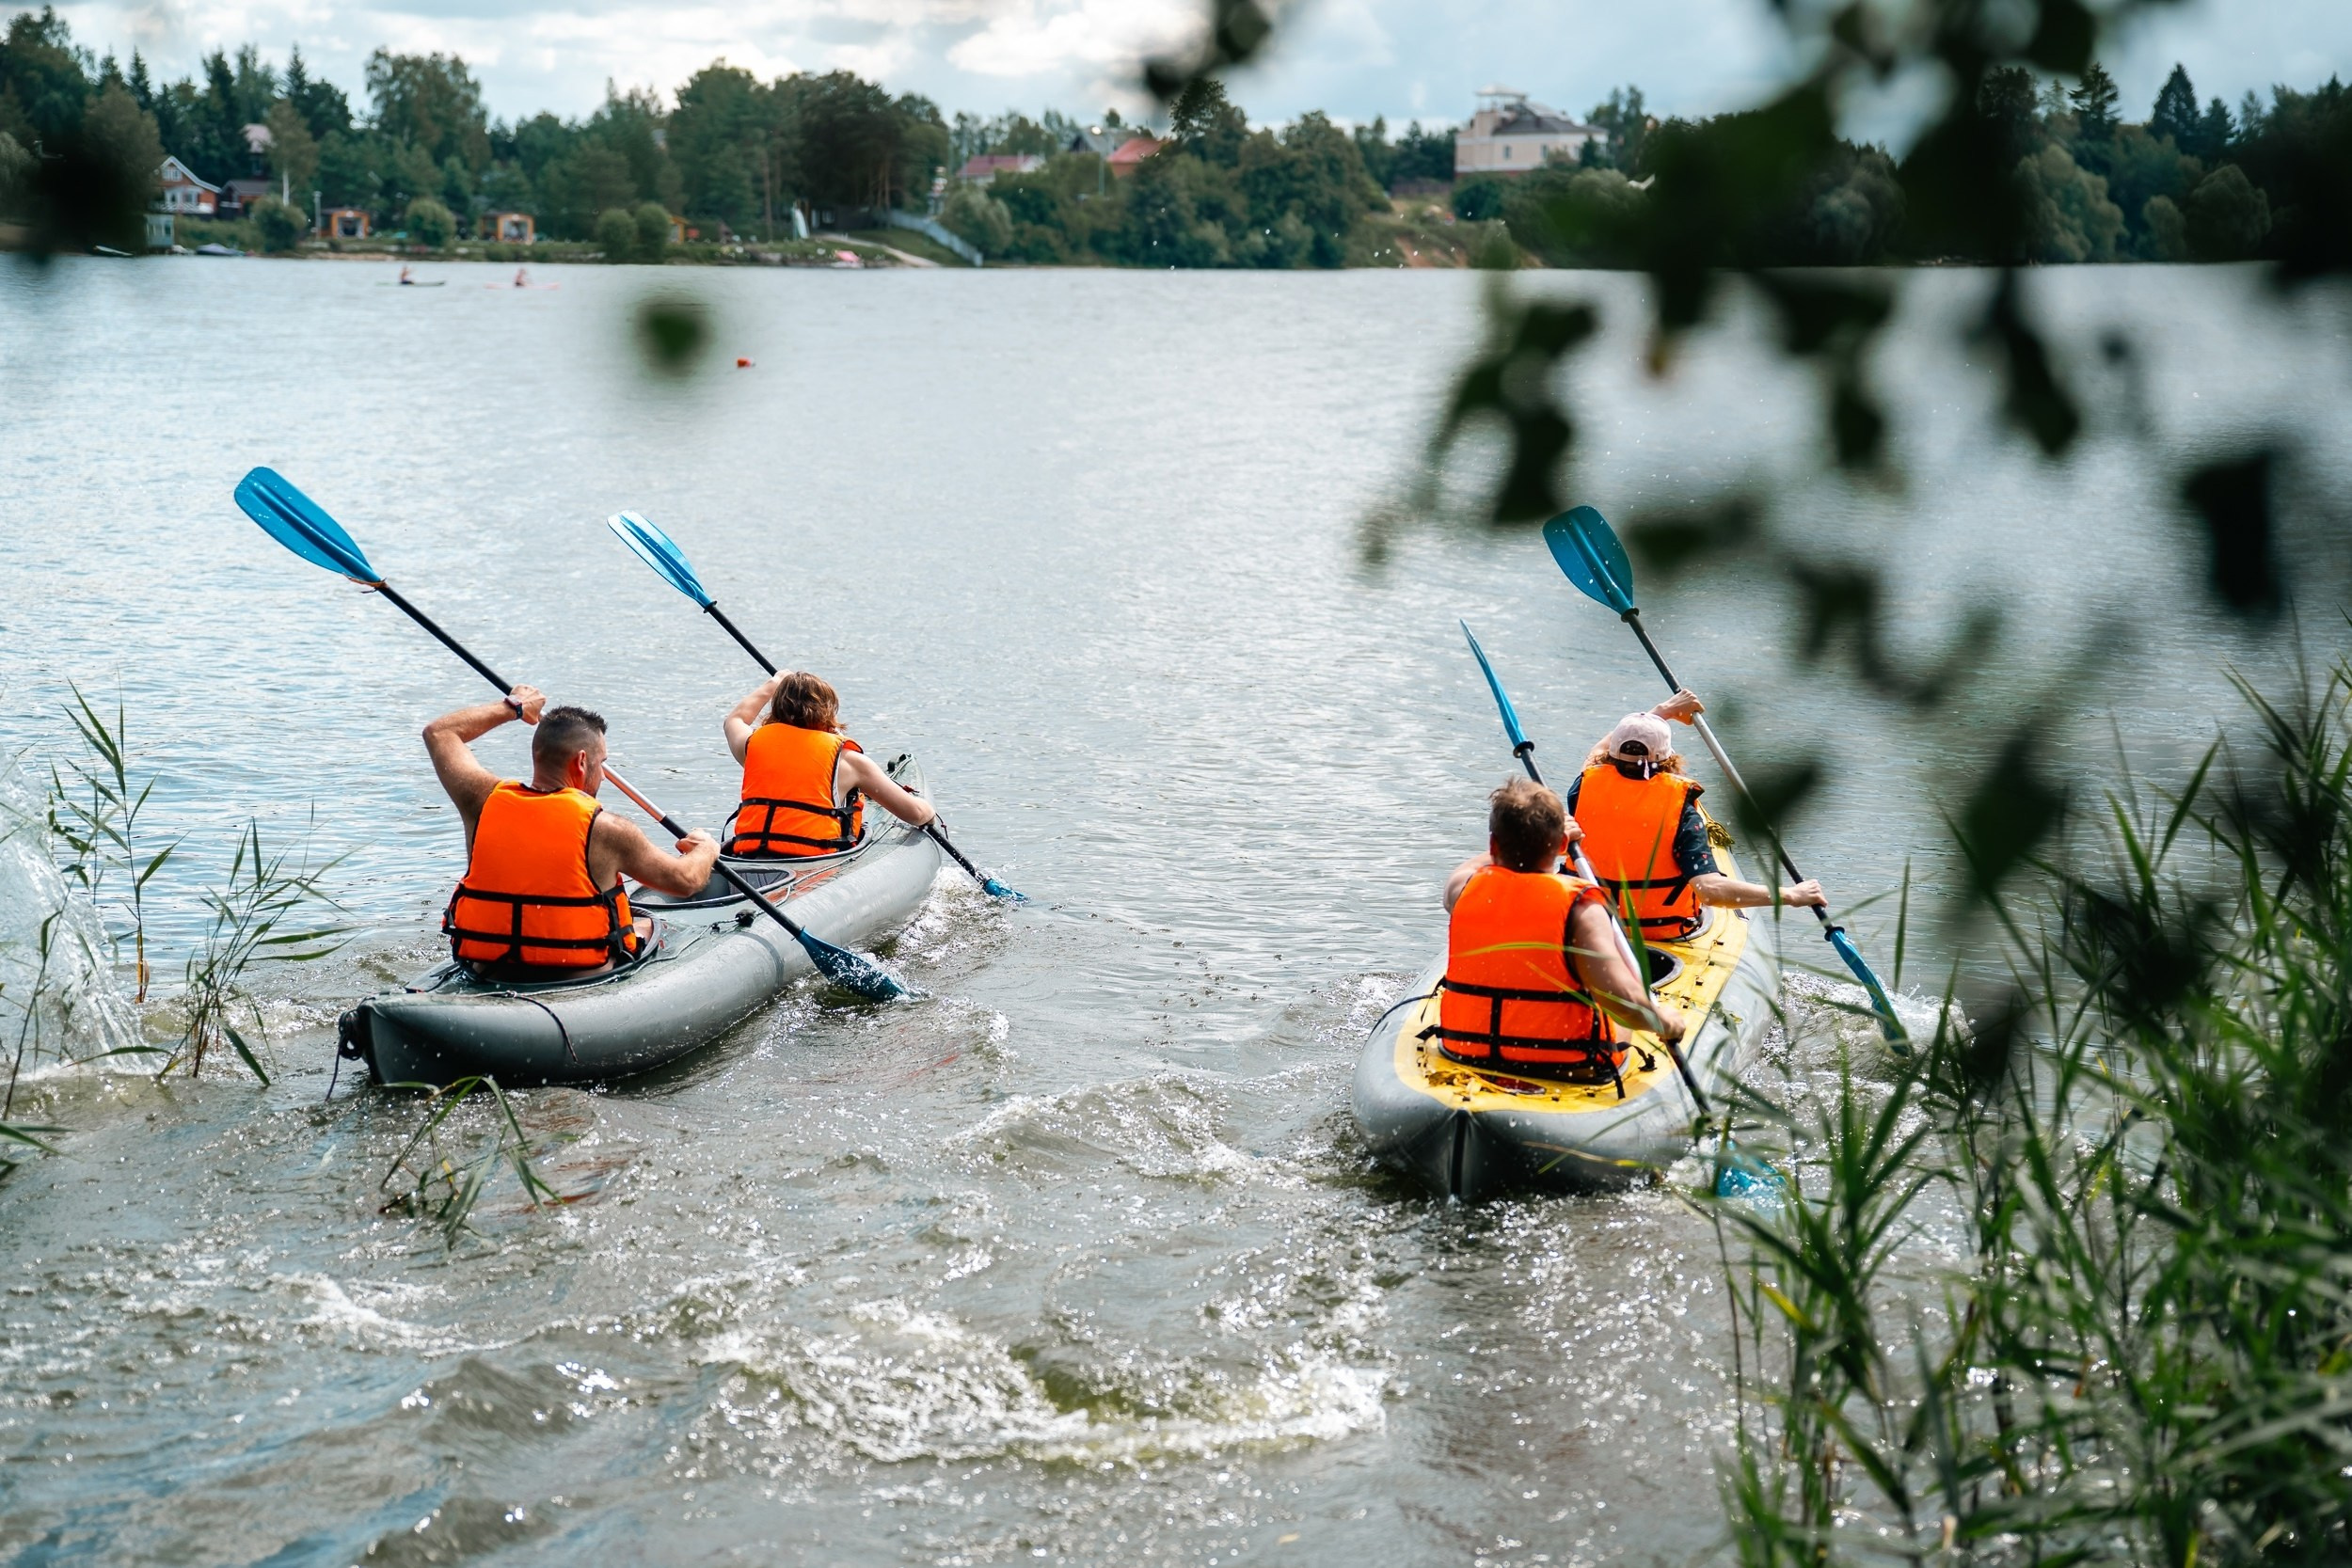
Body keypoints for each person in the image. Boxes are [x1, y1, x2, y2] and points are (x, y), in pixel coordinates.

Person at [427, 688, 718, 974]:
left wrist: (513, 707)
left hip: (487, 967)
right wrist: (706, 847)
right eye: (601, 763)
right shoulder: (607, 829)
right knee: (653, 925)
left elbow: (439, 733)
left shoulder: (482, 799)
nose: (603, 774)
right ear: (581, 762)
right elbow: (685, 881)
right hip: (577, 975)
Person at [1433, 777, 1686, 1084]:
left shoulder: (1464, 889)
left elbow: (1468, 868)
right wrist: (1665, 1021)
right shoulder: (1581, 908)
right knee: (1624, 1019)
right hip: (1563, 1066)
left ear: (1493, 844)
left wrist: (1514, 843)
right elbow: (1618, 999)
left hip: (1466, 1051)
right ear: (1563, 846)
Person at [1567, 690, 1825, 942]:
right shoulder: (1681, 812)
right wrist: (1791, 895)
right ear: (1668, 759)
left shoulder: (1583, 787)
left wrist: (1660, 713)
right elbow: (1710, 891)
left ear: (1610, 755)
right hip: (1658, 931)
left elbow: (1595, 754)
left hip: (1588, 923)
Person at [723, 672, 935, 858]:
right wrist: (929, 813)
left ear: (776, 708)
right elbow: (915, 814)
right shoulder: (850, 762)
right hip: (814, 866)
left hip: (751, 855)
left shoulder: (751, 746)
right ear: (827, 710)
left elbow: (735, 720)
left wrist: (773, 683)